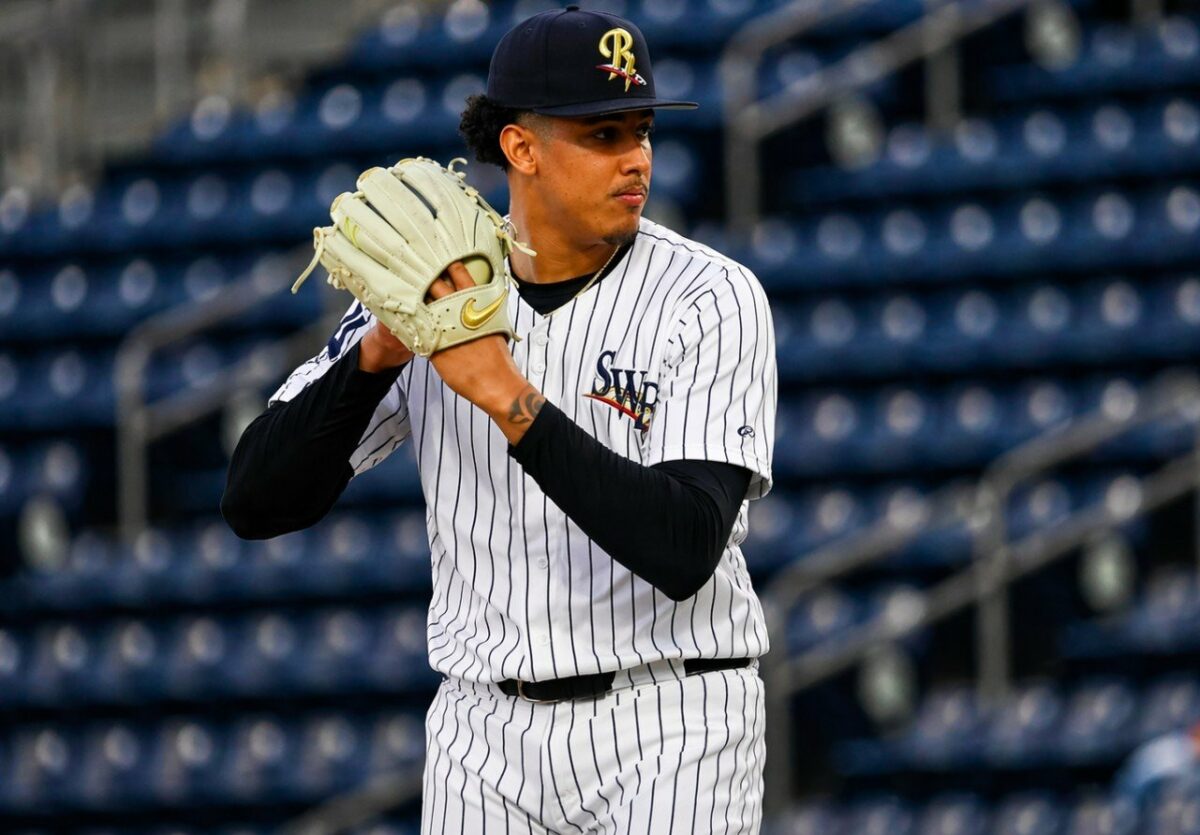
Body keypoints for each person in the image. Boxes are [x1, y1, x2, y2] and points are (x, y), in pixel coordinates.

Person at [221, 5, 777, 832]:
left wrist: (507, 398)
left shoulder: (710, 295)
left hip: (673, 714)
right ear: (520, 148)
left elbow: (685, 544)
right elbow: (256, 501)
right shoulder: (434, 286)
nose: (636, 160)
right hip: (484, 731)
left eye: (642, 131)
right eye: (602, 136)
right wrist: (377, 352)